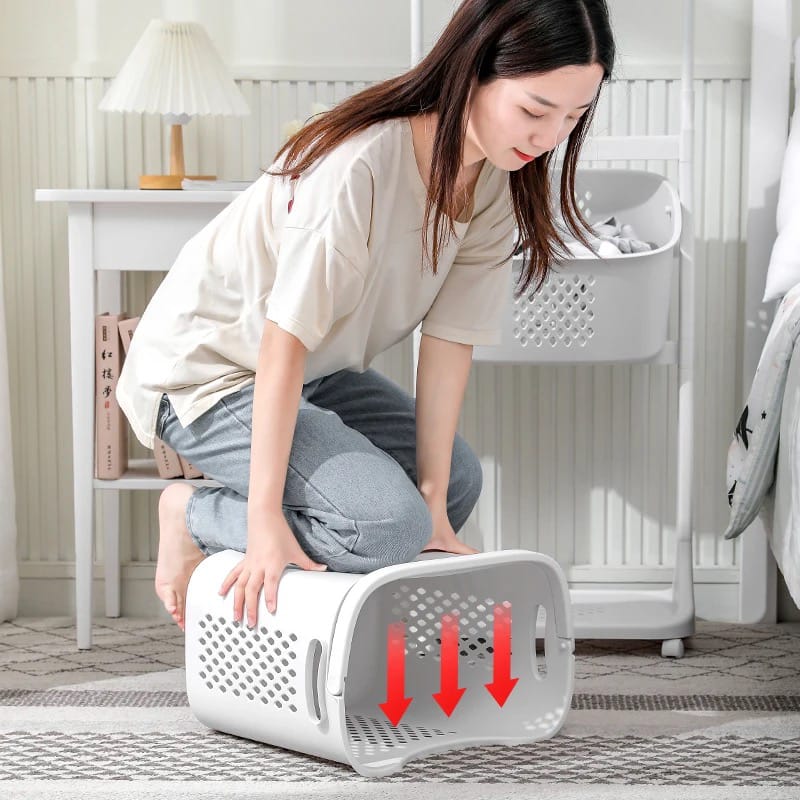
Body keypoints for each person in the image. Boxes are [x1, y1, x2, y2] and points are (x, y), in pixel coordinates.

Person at [116, 0, 615, 631]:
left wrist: (435, 502)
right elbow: (281, 342)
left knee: (454, 482)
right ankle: (191, 513)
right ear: (473, 69)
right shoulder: (359, 163)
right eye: (535, 110)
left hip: (313, 373)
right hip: (208, 373)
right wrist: (262, 516)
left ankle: (354, 616)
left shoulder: (495, 181)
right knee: (385, 528)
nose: (548, 138)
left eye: (572, 118)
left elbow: (448, 343)